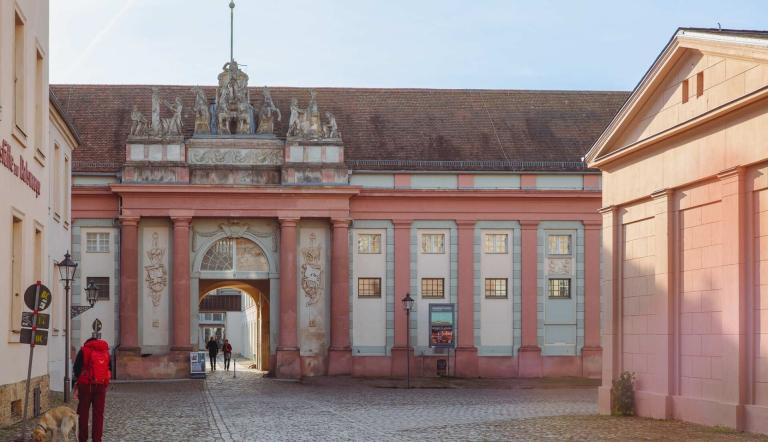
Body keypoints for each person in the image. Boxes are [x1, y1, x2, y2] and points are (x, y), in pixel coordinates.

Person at [72, 337, 111, 442]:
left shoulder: (84, 350)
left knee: (83, 413)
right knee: (98, 414)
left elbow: (76, 369)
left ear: (87, 343)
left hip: (85, 386)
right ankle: (97, 439)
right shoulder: (105, 351)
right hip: (101, 385)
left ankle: (83, 439)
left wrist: (78, 381)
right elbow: (109, 368)